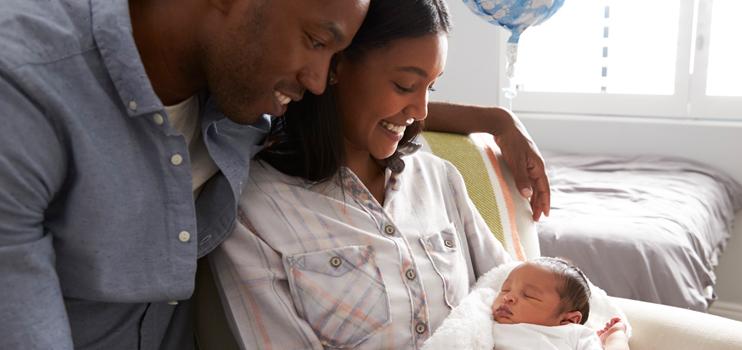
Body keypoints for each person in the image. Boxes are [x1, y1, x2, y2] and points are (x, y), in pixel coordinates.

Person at [0, 1, 549, 349]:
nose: (316, 80)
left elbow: (357, 101)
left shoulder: (242, 85)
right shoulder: (24, 96)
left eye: (333, 54)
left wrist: (495, 120)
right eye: (317, 41)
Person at [209, 0, 515, 348]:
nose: (420, 111)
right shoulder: (256, 211)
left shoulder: (437, 177)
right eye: (403, 85)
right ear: (335, 65)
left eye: (431, 88)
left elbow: (515, 288)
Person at [491, 258, 629, 350]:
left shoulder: (572, 333)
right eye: (505, 289)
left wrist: (616, 338)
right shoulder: (486, 321)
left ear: (567, 319)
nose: (508, 297)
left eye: (529, 295)